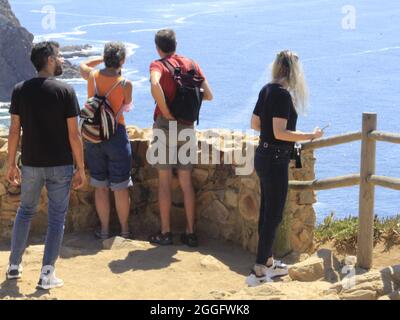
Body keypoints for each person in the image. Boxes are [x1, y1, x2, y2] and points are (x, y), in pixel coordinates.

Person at [6, 41, 86, 290]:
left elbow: (14, 131)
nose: (62, 60)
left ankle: (13, 267)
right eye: (60, 56)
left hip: (30, 164)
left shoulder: (20, 90)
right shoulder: (65, 91)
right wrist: (81, 168)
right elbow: (74, 135)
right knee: (55, 219)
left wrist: (11, 164)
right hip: (60, 165)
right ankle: (47, 274)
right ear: (49, 59)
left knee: (25, 212)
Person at [247, 50, 324, 286]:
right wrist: (311, 135)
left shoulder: (267, 89)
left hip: (263, 154)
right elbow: (281, 132)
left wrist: (273, 135)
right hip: (275, 159)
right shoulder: (281, 95)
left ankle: (268, 261)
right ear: (294, 71)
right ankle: (260, 268)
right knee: (274, 213)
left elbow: (255, 123)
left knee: (266, 211)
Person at [148, 29, 213, 247]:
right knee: (186, 182)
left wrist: (165, 110)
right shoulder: (192, 64)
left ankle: (166, 233)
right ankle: (190, 233)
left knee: (164, 182)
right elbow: (209, 94)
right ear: (176, 44)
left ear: (158, 47)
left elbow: (154, 84)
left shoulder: (158, 65)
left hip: (166, 125)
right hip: (187, 126)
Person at [79, 42, 134, 240]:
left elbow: (83, 65)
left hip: (93, 134)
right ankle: (125, 231)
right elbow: (126, 105)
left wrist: (101, 59)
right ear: (122, 60)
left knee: (100, 185)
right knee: (120, 187)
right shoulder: (125, 84)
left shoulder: (92, 77)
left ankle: (103, 230)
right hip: (116, 134)